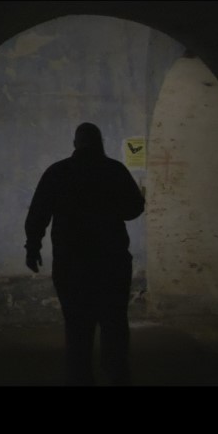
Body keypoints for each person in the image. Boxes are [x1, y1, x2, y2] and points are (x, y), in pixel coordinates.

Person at [25, 122, 145, 386]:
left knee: (78, 326)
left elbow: (38, 213)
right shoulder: (115, 171)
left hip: (71, 264)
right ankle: (116, 374)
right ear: (100, 143)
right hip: (111, 262)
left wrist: (32, 248)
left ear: (75, 144)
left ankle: (81, 377)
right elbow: (134, 208)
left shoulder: (58, 172)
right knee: (114, 323)